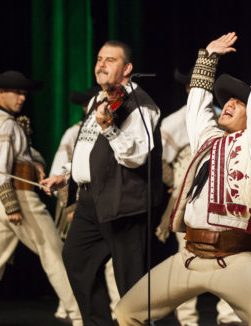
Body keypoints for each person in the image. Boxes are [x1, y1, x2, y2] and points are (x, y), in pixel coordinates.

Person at [114, 32, 251, 326]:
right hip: (190, 257)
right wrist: (208, 57)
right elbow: (196, 108)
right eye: (228, 100)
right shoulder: (209, 141)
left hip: (235, 260)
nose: (229, 104)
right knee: (126, 311)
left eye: (239, 102)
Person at [40, 40, 163, 326]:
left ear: (127, 68)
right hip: (90, 200)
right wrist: (67, 174)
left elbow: (135, 156)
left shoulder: (143, 105)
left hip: (124, 202)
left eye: (110, 59)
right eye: (99, 58)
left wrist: (109, 128)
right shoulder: (99, 99)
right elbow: (90, 150)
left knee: (130, 282)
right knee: (76, 260)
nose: (101, 64)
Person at [0, 71, 82, 326]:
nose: (21, 98)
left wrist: (37, 164)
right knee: (54, 255)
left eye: (23, 93)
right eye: (16, 92)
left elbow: (19, 156)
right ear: (1, 93)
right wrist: (11, 206)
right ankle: (79, 316)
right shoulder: (8, 125)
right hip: (17, 198)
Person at [155, 69, 243, 326]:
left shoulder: (221, 116)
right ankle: (188, 319)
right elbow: (159, 158)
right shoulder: (176, 121)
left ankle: (229, 315)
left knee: (229, 256)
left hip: (223, 196)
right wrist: (176, 184)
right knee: (188, 259)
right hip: (190, 195)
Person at [48, 86, 121, 322]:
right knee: (78, 258)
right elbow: (62, 167)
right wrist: (69, 207)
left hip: (107, 201)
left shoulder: (113, 128)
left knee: (104, 263)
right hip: (81, 202)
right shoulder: (74, 132)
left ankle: (118, 310)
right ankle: (68, 309)